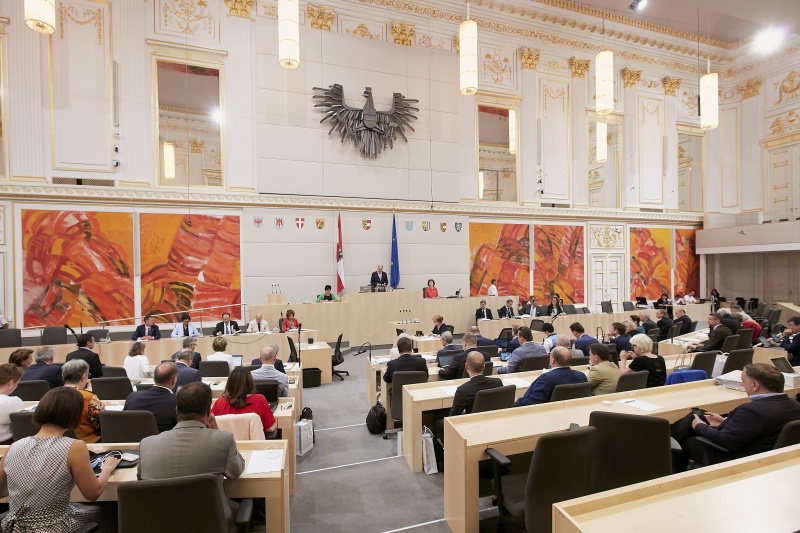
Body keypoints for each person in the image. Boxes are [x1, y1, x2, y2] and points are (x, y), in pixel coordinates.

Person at [0, 387, 120, 532]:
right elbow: (92, 494)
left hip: (13, 527)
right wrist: (107, 468)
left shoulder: (14, 447)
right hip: (54, 527)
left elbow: (1, 492)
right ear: (74, 415)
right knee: (108, 511)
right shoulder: (75, 447)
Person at [138, 382, 245, 529]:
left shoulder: (146, 444)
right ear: (209, 411)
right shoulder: (223, 440)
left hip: (159, 524)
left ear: (177, 411)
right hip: (211, 523)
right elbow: (235, 471)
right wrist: (217, 431)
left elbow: (141, 481)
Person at [675, 364, 800, 468]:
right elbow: (758, 428)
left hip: (737, 458)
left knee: (685, 440)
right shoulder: (795, 405)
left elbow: (725, 441)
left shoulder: (751, 410)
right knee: (700, 414)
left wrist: (700, 426)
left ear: (755, 385)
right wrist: (724, 421)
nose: (742, 385)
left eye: (743, 381)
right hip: (772, 456)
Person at [211, 367, 277, 433]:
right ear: (250, 382)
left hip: (226, 442)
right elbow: (270, 428)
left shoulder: (220, 402)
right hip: (253, 443)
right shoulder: (260, 400)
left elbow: (211, 424)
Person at [515, 347, 587, 406]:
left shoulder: (546, 378)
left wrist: (517, 401)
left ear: (553, 360)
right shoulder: (581, 376)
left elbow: (532, 402)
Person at [123, 363, 178, 432]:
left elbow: (123, 422)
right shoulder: (177, 402)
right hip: (161, 441)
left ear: (154, 378)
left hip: (131, 441)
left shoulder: (132, 396)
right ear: (174, 380)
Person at [61, 359, 103, 443]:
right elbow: (101, 425)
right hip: (88, 444)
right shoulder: (89, 397)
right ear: (83, 377)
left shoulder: (51, 395)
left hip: (61, 443)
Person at [0, 364, 24, 444]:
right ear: (11, 383)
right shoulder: (12, 401)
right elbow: (21, 426)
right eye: (17, 383)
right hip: (7, 446)